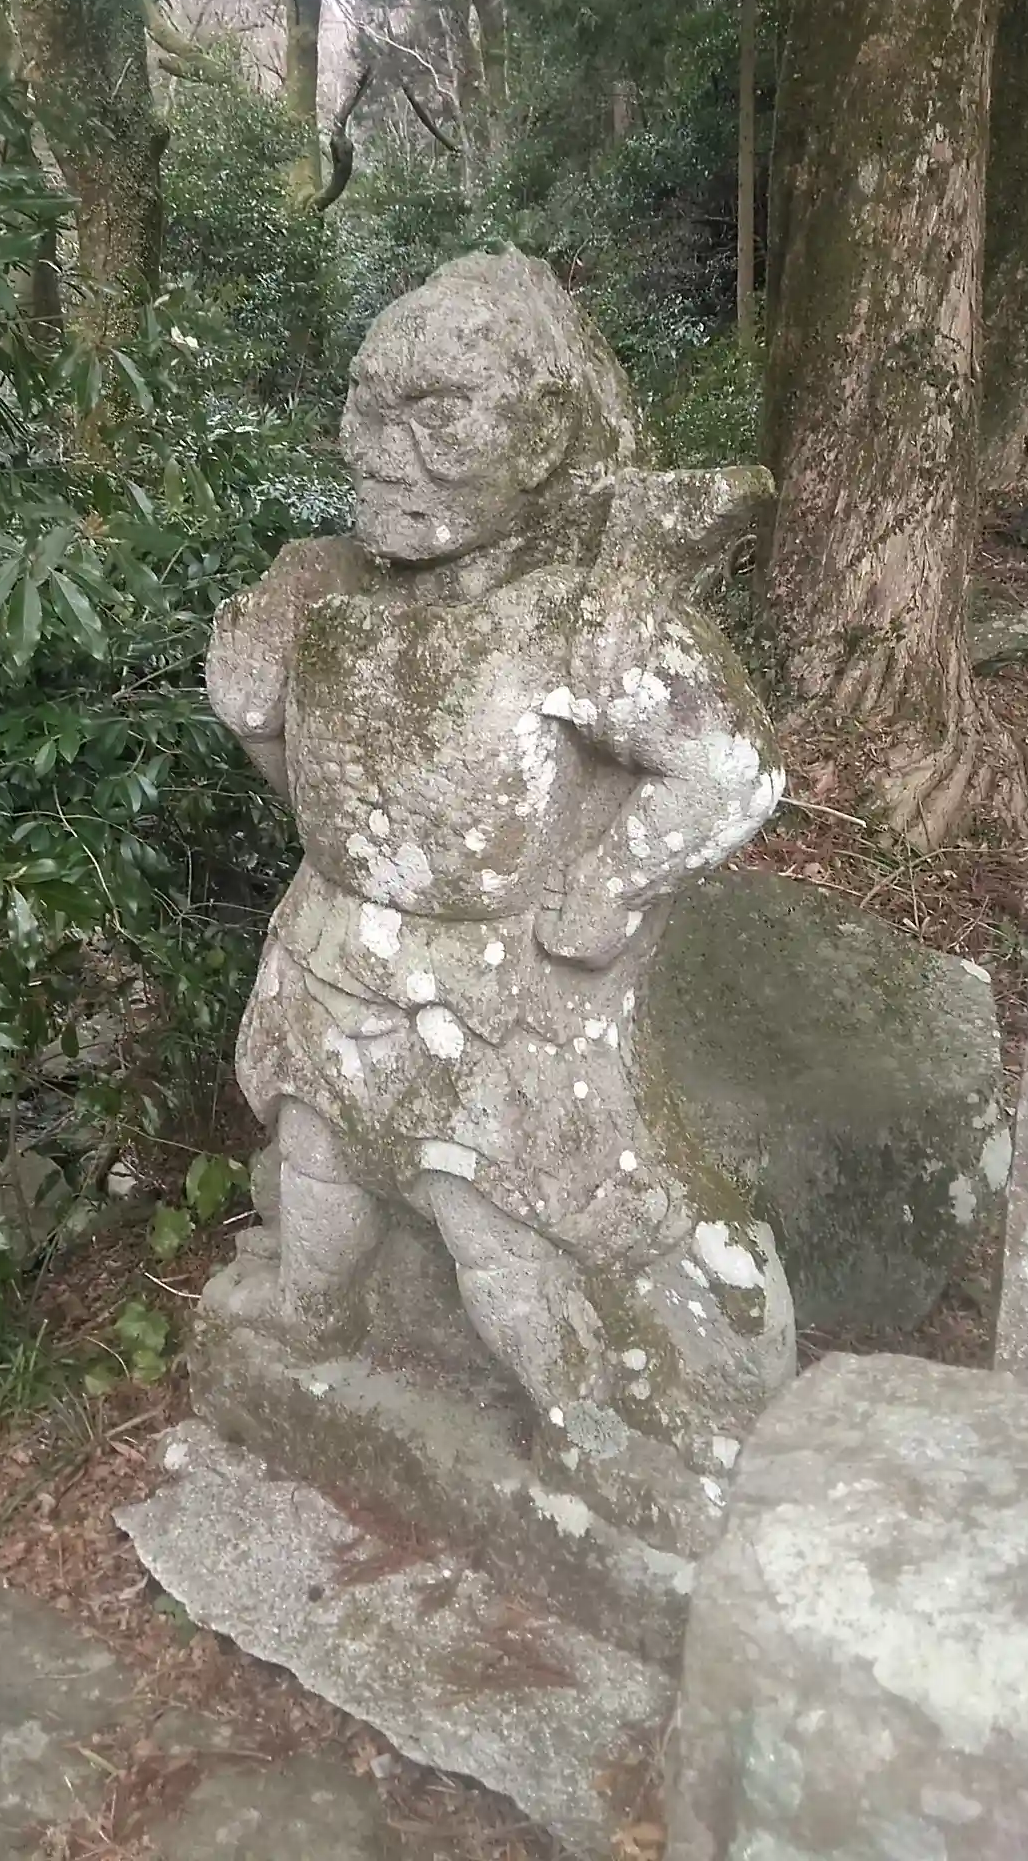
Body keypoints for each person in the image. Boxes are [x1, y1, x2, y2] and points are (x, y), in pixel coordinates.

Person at [205, 249, 792, 1488]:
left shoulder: (578, 618)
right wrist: (267, 720)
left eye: (438, 414)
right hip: (331, 942)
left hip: (486, 982)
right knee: (315, 1153)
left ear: (540, 435)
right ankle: (315, 1315)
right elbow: (294, 756)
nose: (384, 450)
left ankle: (584, 1418)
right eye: (369, 406)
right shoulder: (320, 585)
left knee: (493, 1220)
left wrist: (610, 883)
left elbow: (729, 769)